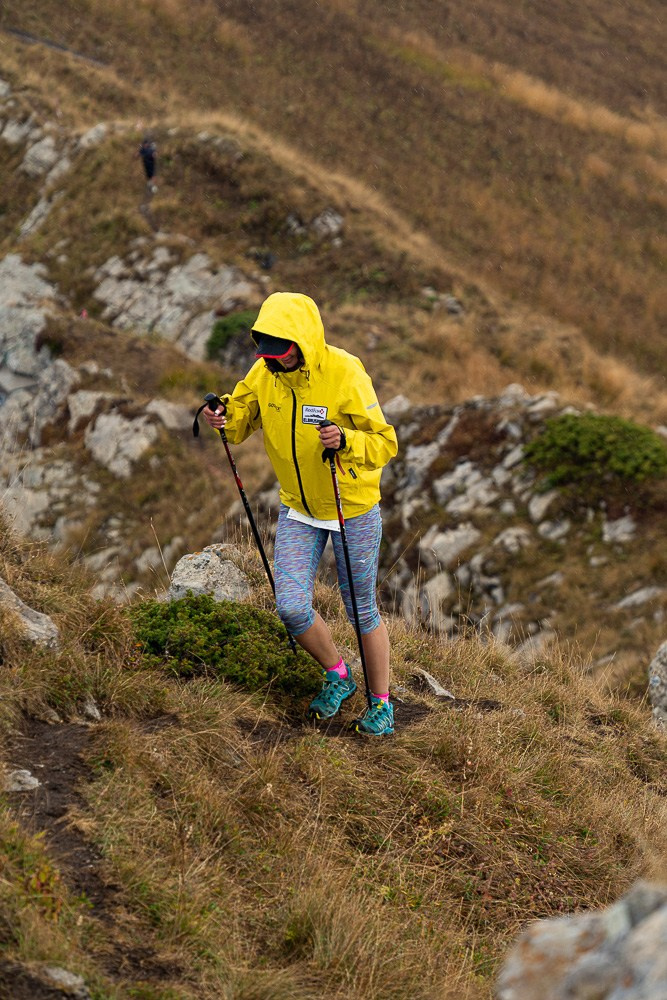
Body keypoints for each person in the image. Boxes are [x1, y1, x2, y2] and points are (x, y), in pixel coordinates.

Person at [201, 291, 398, 735]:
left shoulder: (345, 371)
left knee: (361, 611)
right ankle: (338, 675)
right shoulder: (264, 373)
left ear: (303, 342)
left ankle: (381, 704)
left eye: (283, 350)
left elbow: (385, 443)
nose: (275, 359)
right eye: (267, 351)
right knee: (290, 608)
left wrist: (346, 440)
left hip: (351, 508)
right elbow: (241, 419)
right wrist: (222, 417)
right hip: (299, 508)